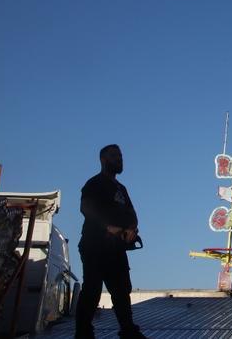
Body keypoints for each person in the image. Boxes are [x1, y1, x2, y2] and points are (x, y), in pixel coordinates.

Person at [74, 144, 146, 339]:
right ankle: (83, 333)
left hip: (116, 248)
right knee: (92, 290)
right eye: (115, 156)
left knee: (122, 291)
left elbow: (132, 213)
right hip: (94, 246)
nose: (120, 159)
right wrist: (107, 227)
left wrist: (131, 229)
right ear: (103, 159)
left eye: (121, 156)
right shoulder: (94, 184)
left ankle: (128, 330)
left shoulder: (121, 189)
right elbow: (87, 208)